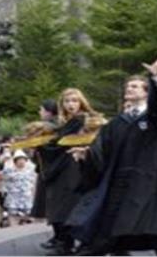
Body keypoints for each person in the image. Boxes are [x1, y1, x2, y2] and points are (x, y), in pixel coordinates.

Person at [67, 55, 157, 256]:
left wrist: (156, 78)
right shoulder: (117, 123)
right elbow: (103, 149)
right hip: (121, 181)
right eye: (128, 86)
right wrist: (87, 155)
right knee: (114, 227)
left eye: (135, 86)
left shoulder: (155, 119)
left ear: (147, 92)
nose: (129, 89)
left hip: (150, 180)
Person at [39, 88, 103, 255]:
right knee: (63, 204)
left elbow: (60, 142)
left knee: (69, 204)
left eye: (74, 101)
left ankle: (68, 243)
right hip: (64, 166)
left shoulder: (84, 120)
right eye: (67, 101)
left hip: (76, 165)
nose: (70, 104)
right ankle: (64, 241)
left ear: (81, 102)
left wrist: (41, 143)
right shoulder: (66, 122)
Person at [2, 150, 36, 225]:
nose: (21, 161)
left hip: (27, 199)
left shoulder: (30, 171)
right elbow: (1, 179)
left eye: (23, 160)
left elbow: (33, 184)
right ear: (15, 161)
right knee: (13, 218)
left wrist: (33, 196)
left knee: (29, 219)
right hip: (13, 199)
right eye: (19, 160)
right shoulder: (8, 171)